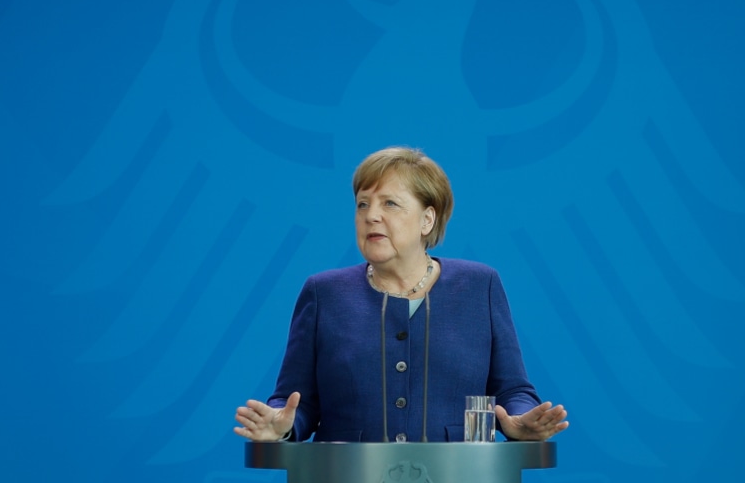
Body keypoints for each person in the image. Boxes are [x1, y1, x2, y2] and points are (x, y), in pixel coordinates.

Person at [235, 147, 568, 444]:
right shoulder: (324, 293)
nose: (371, 215)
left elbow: (513, 391)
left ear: (427, 219)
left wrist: (521, 420)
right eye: (362, 204)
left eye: (390, 204)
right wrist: (280, 424)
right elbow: (297, 401)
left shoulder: (481, 286)